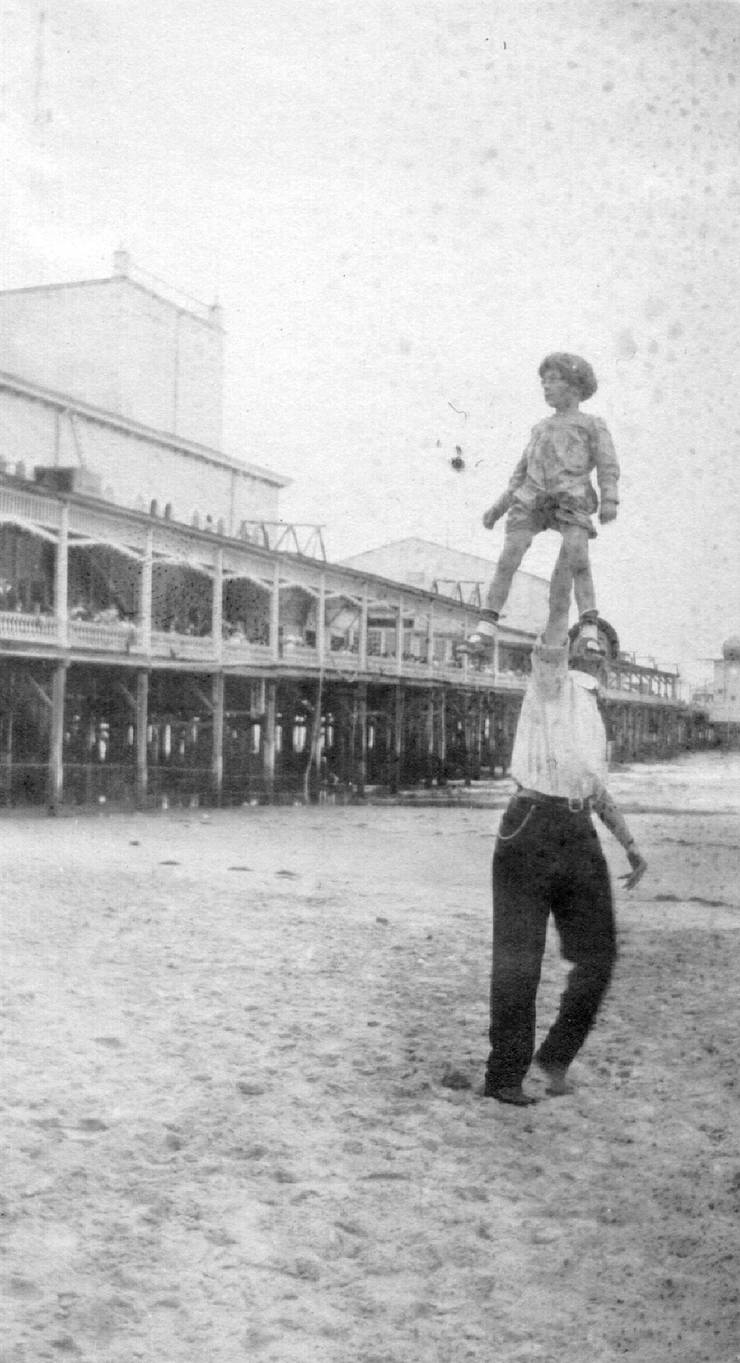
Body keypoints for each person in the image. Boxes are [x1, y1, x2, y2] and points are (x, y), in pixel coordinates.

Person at [483, 559, 647, 1106]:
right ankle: (504, 1077)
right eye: (586, 641)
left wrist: (628, 844)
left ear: (610, 662)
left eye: (602, 646)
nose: (593, 650)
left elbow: (595, 788)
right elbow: (557, 614)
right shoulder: (550, 684)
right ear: (568, 649)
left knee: (597, 956)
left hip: (577, 830)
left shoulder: (594, 712)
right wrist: (571, 559)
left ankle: (553, 1059)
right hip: (529, 825)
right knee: (518, 960)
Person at [461, 353, 620, 659]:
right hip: (531, 499)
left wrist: (609, 497)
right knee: (508, 558)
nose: (546, 387)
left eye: (553, 381)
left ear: (574, 387)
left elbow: (607, 463)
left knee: (578, 558)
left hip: (570, 497)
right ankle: (487, 622)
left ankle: (588, 627)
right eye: (543, 382)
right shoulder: (540, 428)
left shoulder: (591, 425)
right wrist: (498, 508)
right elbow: (520, 473)